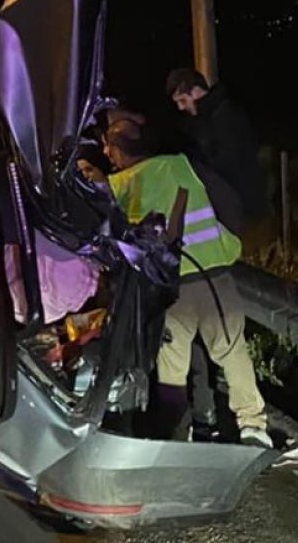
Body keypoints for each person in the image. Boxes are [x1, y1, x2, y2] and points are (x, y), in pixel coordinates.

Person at [102, 118, 271, 447]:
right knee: (232, 351)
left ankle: (176, 434)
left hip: (169, 290)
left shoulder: (119, 186)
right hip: (213, 276)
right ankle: (253, 426)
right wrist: (228, 238)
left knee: (171, 363)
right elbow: (229, 201)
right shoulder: (181, 165)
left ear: (119, 151)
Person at [164, 69, 268, 228]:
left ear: (196, 91)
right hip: (226, 208)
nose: (180, 108)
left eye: (183, 100)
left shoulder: (225, 116)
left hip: (240, 209)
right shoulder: (198, 122)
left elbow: (230, 164)